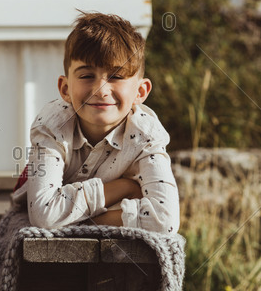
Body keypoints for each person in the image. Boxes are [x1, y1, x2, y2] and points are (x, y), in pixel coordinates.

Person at [12, 12, 179, 234]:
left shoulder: (146, 136)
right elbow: (43, 215)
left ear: (140, 92)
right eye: (86, 76)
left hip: (80, 212)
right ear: (65, 89)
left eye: (116, 77)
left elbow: (164, 221)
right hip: (30, 205)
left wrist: (81, 224)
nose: (100, 90)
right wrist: (124, 187)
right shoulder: (51, 127)